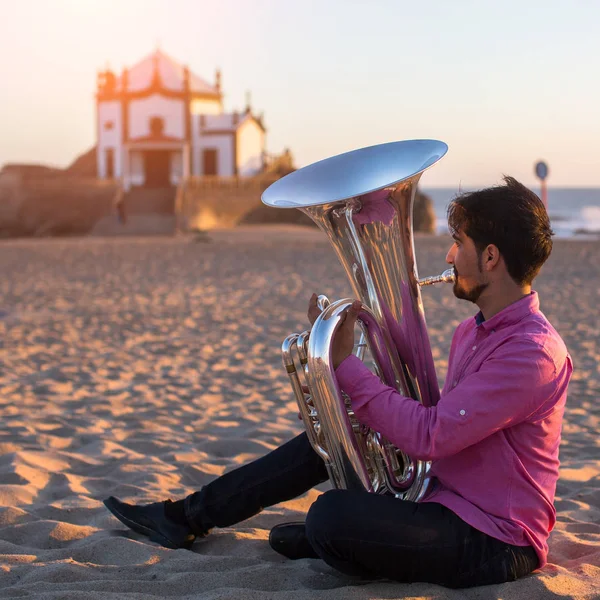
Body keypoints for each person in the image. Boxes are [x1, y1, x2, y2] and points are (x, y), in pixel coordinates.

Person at [103, 176, 572, 588]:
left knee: (330, 516)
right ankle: (184, 517)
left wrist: (345, 364)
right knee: (331, 436)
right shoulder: (471, 331)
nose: (449, 255)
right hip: (444, 499)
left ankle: (342, 540)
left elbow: (431, 436)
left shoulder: (532, 354)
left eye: (459, 242)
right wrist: (348, 413)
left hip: (495, 537)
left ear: (490, 257)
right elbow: (429, 417)